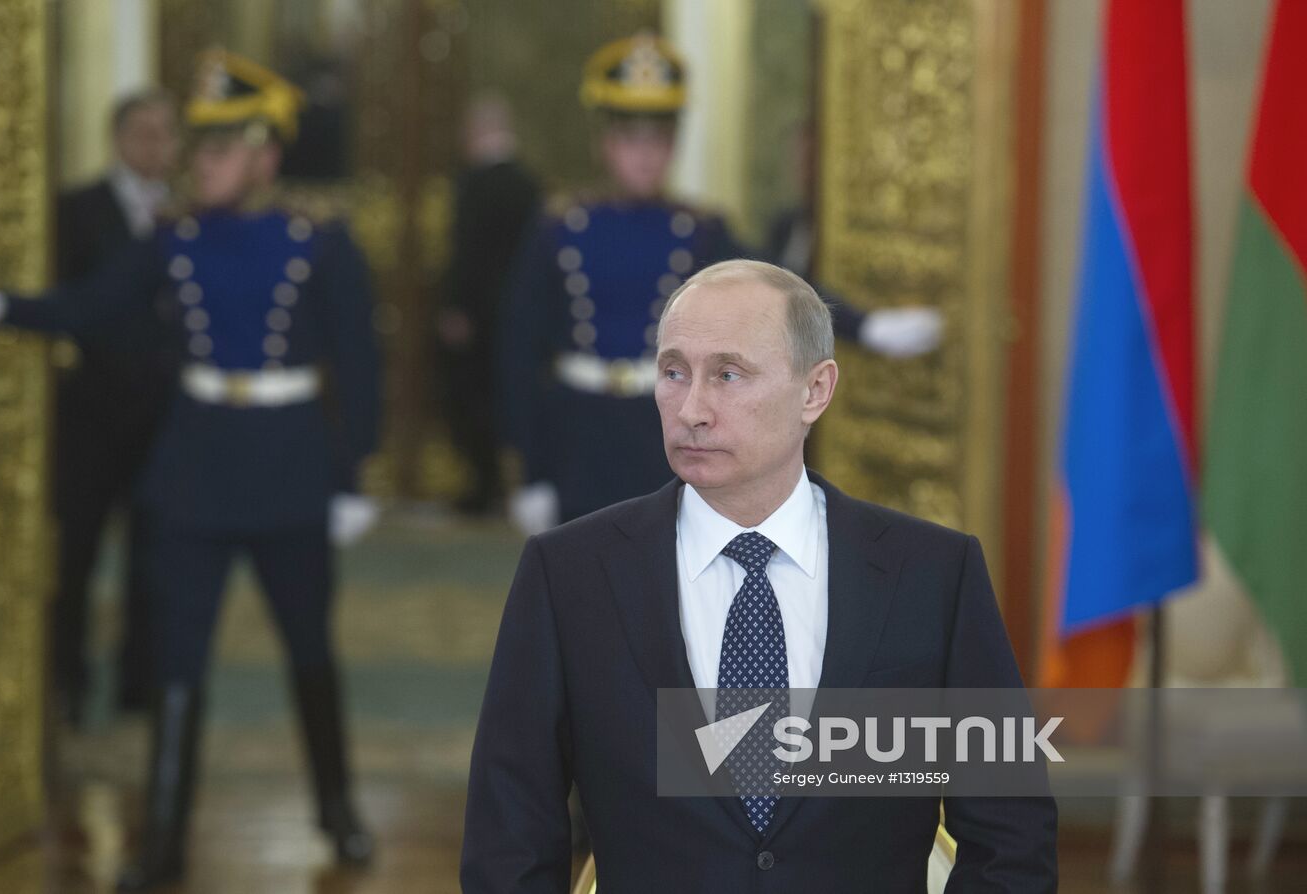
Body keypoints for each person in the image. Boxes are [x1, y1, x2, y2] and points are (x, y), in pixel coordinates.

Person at [463, 259, 1057, 892]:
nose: (691, 408)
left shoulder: (933, 574)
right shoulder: (568, 575)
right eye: (672, 372)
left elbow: (1011, 838)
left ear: (815, 391)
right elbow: (510, 843)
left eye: (728, 374)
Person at [0, 50, 380, 890]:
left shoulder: (319, 242)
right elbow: (91, 307)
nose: (198, 162)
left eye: (218, 148)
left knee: (309, 650)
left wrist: (352, 476)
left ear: (264, 156)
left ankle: (340, 812)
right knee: (177, 662)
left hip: (288, 467)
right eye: (197, 147)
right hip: (193, 470)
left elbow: (360, 363)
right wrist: (3, 306)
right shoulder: (173, 240)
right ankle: (163, 845)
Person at [499, 34, 944, 535]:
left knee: (667, 585)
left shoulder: (698, 230)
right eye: (631, 138)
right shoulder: (560, 226)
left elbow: (787, 292)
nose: (646, 155)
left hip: (665, 428)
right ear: (605, 142)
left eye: (660, 139)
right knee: (581, 590)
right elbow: (518, 350)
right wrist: (529, 469)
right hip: (577, 433)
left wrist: (869, 326)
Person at [51, 90, 181, 723]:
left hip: (162, 419)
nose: (153, 145)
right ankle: (67, 679)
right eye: (142, 132)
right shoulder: (76, 210)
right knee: (76, 551)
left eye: (164, 133)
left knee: (154, 559)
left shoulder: (188, 216)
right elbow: (67, 303)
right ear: (117, 138)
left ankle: (140, 682)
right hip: (91, 415)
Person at [438, 93, 542, 515]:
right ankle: (507, 480)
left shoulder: (473, 184)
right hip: (519, 312)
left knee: (475, 398)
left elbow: (467, 254)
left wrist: (456, 307)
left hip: (479, 315)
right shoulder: (528, 182)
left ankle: (483, 485)